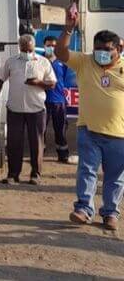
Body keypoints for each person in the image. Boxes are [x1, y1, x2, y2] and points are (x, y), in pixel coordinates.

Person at [57, 14, 124, 232]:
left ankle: (110, 213)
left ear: (119, 49)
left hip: (119, 134)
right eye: (98, 49)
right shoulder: (85, 61)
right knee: (87, 171)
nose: (101, 54)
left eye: (106, 50)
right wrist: (68, 29)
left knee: (115, 177)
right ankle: (84, 209)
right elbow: (60, 53)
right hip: (89, 130)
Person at [0, 34, 56, 185]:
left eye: (30, 50)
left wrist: (38, 82)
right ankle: (13, 174)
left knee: (37, 143)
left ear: (33, 47)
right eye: (24, 50)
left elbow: (52, 84)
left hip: (36, 109)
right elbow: (0, 80)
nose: (27, 52)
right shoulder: (11, 62)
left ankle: (35, 174)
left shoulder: (43, 62)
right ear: (19, 47)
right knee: (13, 143)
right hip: (15, 108)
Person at [42, 36, 72, 163]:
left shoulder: (62, 61)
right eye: (49, 45)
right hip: (42, 100)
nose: (51, 48)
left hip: (59, 100)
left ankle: (63, 154)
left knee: (60, 129)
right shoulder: (39, 60)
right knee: (40, 129)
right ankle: (39, 153)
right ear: (44, 46)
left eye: (54, 45)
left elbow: (64, 78)